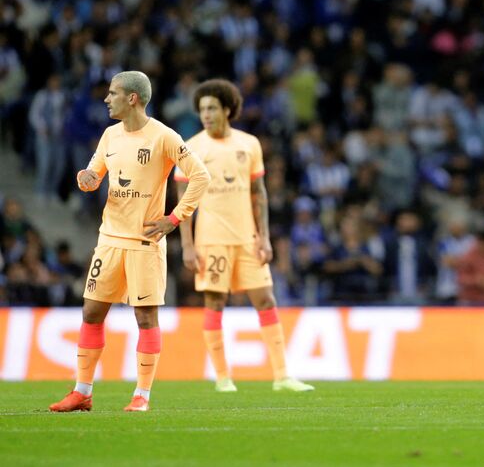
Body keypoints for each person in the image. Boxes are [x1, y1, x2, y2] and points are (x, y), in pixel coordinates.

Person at [50, 71, 210, 413]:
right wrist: (86, 179)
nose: (107, 100)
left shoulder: (164, 137)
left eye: (113, 94)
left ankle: (142, 396)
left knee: (145, 318)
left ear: (132, 98)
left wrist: (174, 217)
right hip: (109, 239)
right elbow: (93, 177)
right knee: (92, 312)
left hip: (144, 242)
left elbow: (200, 176)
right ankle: (82, 392)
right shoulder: (109, 136)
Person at [175, 79, 314, 392]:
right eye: (201, 110)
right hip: (211, 239)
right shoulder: (192, 147)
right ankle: (223, 377)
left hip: (247, 237)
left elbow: (258, 193)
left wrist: (264, 236)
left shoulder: (249, 143)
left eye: (211, 108)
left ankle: (282, 376)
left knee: (266, 299)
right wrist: (186, 244)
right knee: (215, 302)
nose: (206, 114)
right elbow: (184, 199)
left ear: (227, 109)